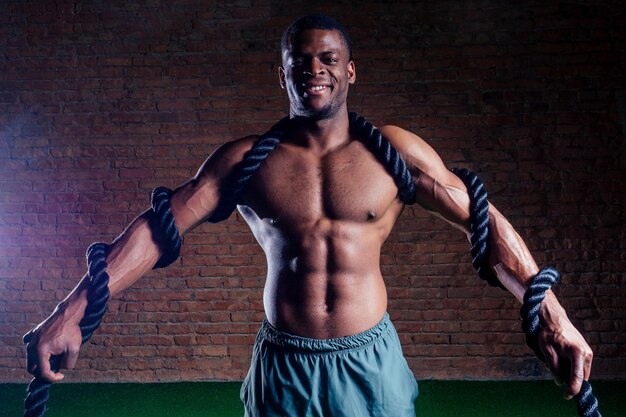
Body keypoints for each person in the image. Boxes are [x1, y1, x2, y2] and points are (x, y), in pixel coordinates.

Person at [25, 14, 593, 417]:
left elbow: (482, 221)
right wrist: (72, 312)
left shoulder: (391, 152)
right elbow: (159, 228)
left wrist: (556, 317)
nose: (314, 69)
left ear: (349, 72)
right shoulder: (247, 161)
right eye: (300, 60)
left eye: (329, 58)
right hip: (283, 364)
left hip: (369, 362)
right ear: (283, 74)